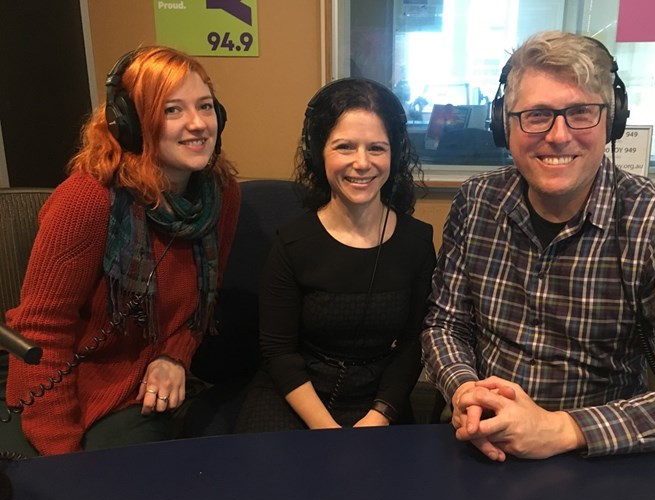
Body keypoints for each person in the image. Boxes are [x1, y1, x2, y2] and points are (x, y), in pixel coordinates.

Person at [422, 31, 655, 460]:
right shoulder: (476, 201)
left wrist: (561, 429)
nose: (559, 136)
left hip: (598, 460)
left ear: (611, 121)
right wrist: (465, 388)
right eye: (537, 114)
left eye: (581, 112)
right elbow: (445, 325)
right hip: (483, 441)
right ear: (504, 125)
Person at [0, 46, 241, 456]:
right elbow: (41, 331)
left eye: (205, 106)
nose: (199, 124)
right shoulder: (87, 200)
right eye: (172, 110)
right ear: (128, 123)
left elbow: (204, 300)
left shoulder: (220, 195)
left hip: (138, 395)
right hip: (57, 388)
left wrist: (174, 356)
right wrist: (62, 451)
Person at [235, 77, 436, 431]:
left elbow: (411, 346)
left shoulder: (416, 242)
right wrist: (327, 431)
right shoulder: (293, 242)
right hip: (297, 394)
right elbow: (279, 352)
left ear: (395, 154)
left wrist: (380, 415)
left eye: (377, 148)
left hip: (378, 401)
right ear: (318, 153)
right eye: (344, 147)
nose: (362, 163)